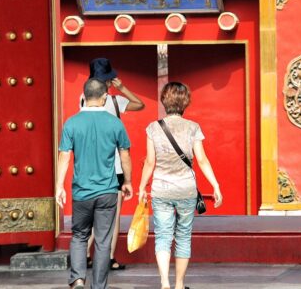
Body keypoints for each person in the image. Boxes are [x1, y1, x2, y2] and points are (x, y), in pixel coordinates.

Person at [138, 82, 223, 289]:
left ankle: (164, 283)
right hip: (186, 189)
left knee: (163, 236)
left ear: (164, 101)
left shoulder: (153, 128)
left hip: (161, 189)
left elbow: (150, 162)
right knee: (183, 235)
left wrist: (142, 186)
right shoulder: (193, 127)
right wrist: (215, 185)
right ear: (185, 102)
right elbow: (201, 160)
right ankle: (179, 285)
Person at [56, 78, 133, 289]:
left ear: (83, 97)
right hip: (108, 191)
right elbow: (124, 154)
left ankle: (78, 279)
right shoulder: (115, 123)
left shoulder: (71, 123)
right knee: (102, 241)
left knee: (80, 236)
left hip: (81, 192)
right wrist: (127, 181)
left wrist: (59, 186)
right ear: (105, 97)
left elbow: (64, 156)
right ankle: (98, 286)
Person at [81, 58, 145, 271]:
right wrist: (123, 88)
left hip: (90, 164)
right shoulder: (115, 101)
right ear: (107, 82)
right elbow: (140, 104)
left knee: (91, 211)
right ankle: (108, 257)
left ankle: (84, 255)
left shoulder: (83, 100)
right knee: (113, 214)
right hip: (114, 166)